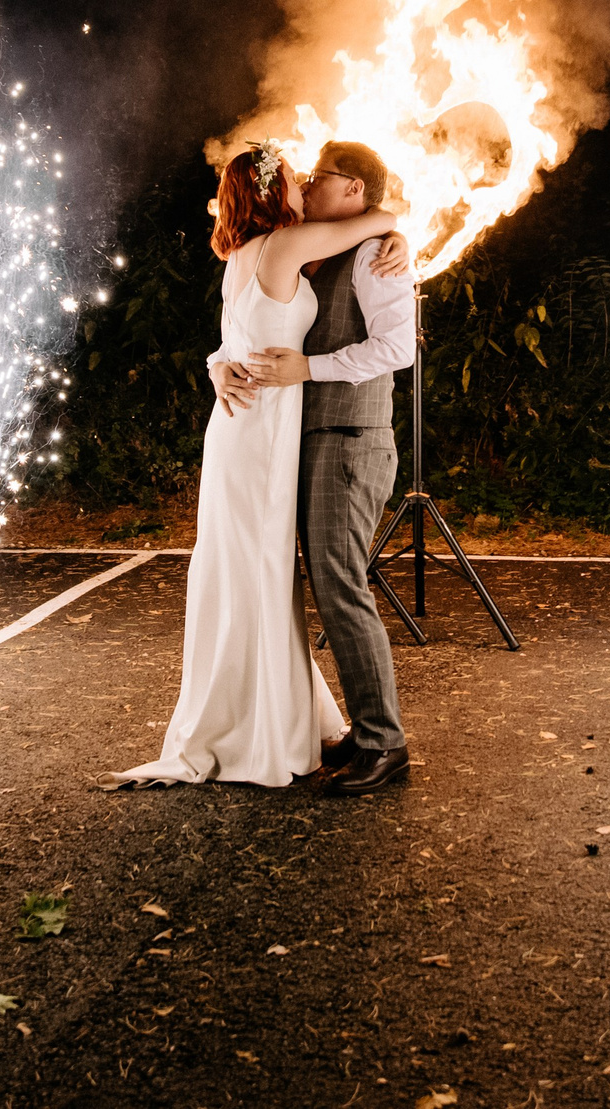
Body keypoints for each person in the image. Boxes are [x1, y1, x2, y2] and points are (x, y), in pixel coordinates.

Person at [109, 142, 403, 788]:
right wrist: (395, 219)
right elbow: (376, 216)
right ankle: (266, 725)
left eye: (314, 176)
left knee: (264, 577)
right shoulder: (284, 247)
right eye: (298, 178)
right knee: (266, 576)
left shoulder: (253, 255)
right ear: (277, 194)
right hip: (264, 437)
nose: (305, 184)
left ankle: (280, 720)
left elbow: (233, 337)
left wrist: (221, 364)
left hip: (256, 433)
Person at [216, 139, 415, 796]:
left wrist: (310, 367)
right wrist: (222, 365)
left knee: (340, 584)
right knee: (323, 584)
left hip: (352, 437)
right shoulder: (314, 248)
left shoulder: (371, 254)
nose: (307, 181)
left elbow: (397, 347)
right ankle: (363, 731)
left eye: (320, 175)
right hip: (305, 440)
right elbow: (242, 326)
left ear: (354, 191)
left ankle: (384, 741)